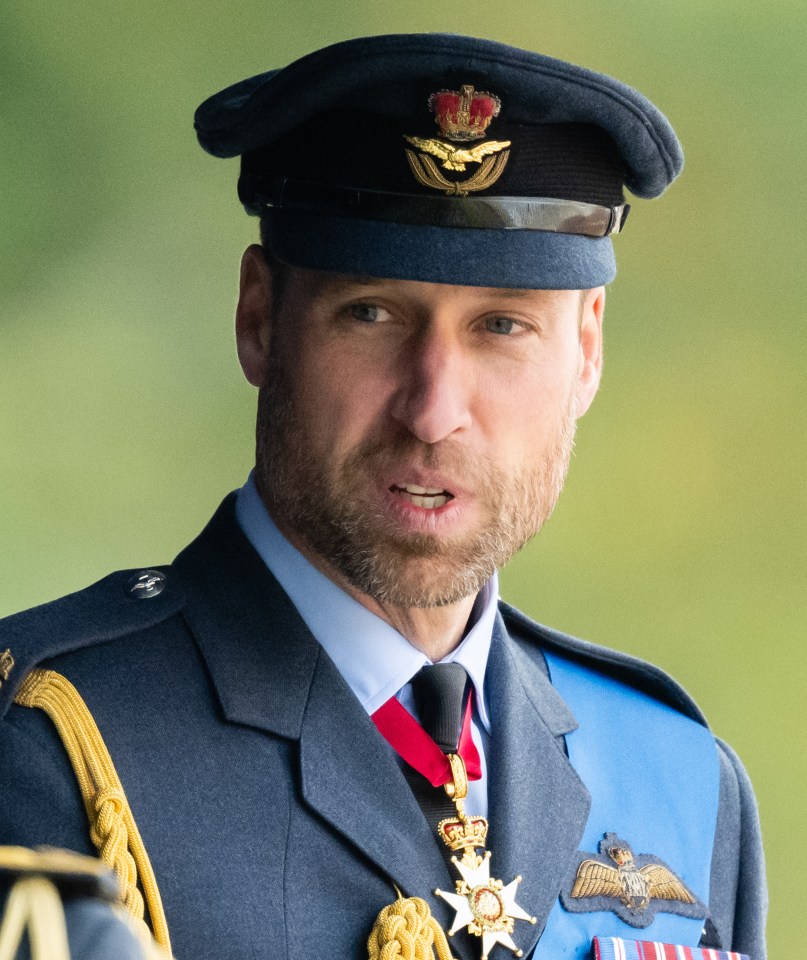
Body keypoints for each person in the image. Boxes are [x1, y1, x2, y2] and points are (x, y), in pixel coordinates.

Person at [0, 33, 766, 960]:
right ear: (259, 318)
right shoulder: (54, 740)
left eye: (502, 327)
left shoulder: (676, 777)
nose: (433, 409)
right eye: (371, 314)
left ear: (587, 351)